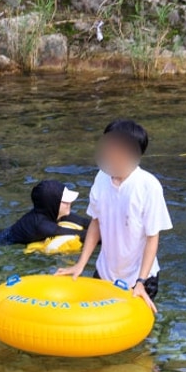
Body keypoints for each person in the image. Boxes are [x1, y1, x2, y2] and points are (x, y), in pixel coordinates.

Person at [55, 119, 173, 313]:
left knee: (136, 335)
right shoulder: (101, 177)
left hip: (140, 277)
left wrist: (141, 282)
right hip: (104, 273)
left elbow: (153, 238)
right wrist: (80, 264)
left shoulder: (148, 186)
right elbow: (96, 222)